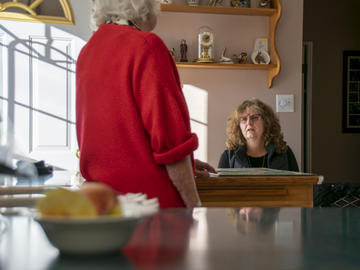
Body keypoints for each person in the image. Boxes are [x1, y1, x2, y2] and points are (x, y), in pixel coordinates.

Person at [76, 0, 202, 208]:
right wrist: (195, 208)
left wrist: (188, 166)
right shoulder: (146, 46)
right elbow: (170, 141)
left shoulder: (87, 52)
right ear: (144, 6)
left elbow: (112, 142)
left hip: (103, 205)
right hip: (150, 207)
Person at [218, 99, 299, 171]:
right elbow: (221, 187)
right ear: (238, 126)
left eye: (254, 117)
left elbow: (298, 185)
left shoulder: (284, 152)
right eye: (244, 119)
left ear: (266, 122)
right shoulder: (228, 156)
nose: (249, 123)